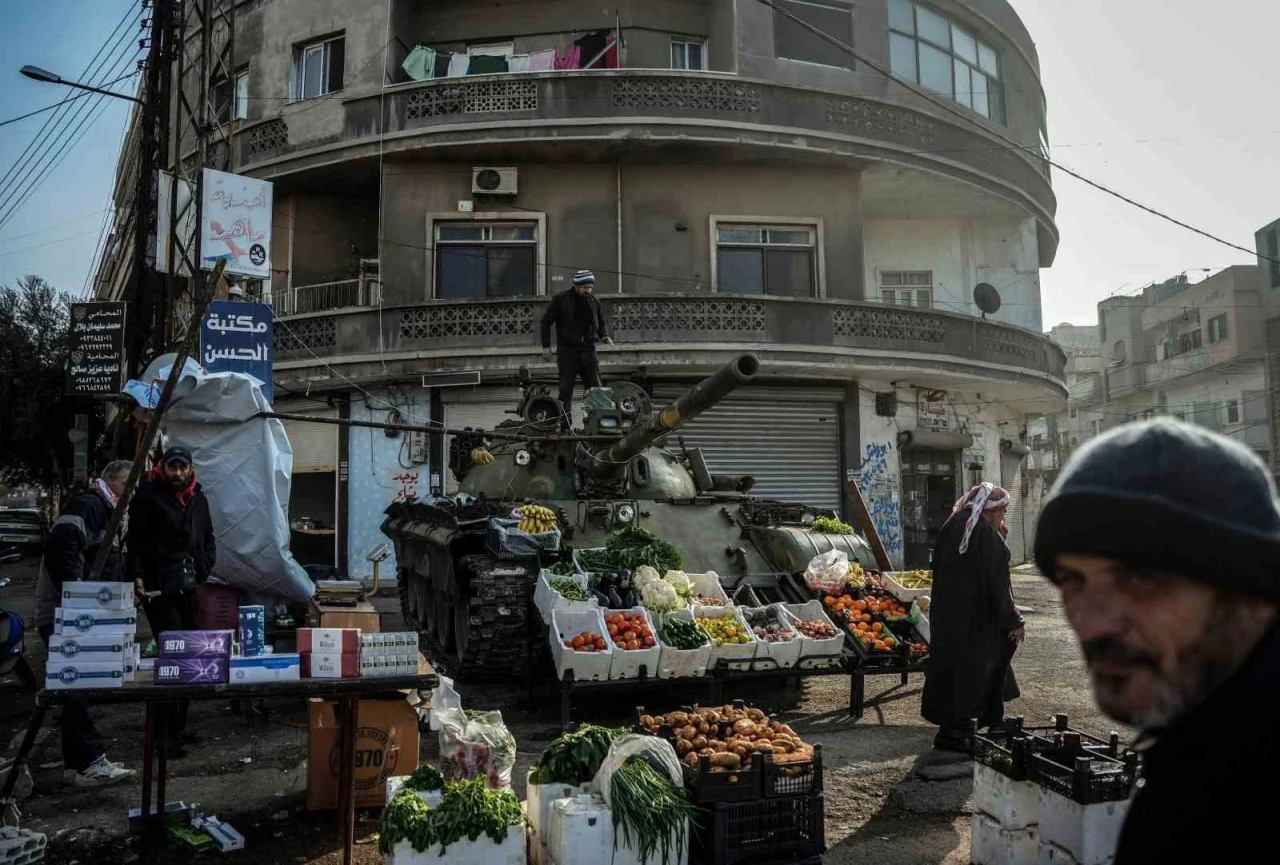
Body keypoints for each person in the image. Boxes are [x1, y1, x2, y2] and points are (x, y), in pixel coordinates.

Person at [1033, 419, 1278, 864]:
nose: (1090, 625)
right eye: (1074, 579)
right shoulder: (1201, 748)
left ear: (1253, 595)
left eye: (1141, 576)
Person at [34, 460, 136, 787]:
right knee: (77, 687)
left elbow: (109, 566)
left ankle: (76, 765)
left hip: (81, 614)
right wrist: (77, 600)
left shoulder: (114, 515)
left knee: (73, 687)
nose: (129, 494)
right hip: (68, 614)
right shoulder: (91, 505)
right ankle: (90, 761)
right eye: (125, 486)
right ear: (108, 482)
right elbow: (62, 547)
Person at [921, 482, 1025, 752]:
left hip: (949, 619)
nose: (1004, 516)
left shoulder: (952, 526)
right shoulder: (985, 535)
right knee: (976, 672)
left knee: (961, 671)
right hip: (979, 620)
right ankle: (957, 733)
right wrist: (1014, 620)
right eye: (1003, 511)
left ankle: (991, 719)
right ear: (993, 510)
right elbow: (998, 585)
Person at [128, 446, 217, 758]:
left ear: (190, 468)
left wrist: (205, 564)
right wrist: (137, 575)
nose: (178, 474)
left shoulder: (198, 497)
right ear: (163, 468)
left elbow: (208, 536)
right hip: (159, 589)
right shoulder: (148, 496)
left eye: (183, 468)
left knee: (191, 656)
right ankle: (162, 737)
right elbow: (135, 541)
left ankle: (179, 727)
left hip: (190, 586)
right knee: (172, 657)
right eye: (172, 468)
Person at [540, 269, 613, 425]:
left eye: (590, 288)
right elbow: (546, 322)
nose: (588, 291)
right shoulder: (561, 299)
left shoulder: (594, 301)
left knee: (595, 389)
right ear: (577, 286)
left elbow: (601, 321)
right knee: (565, 390)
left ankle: (597, 423)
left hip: (588, 350)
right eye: (585, 288)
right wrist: (546, 346)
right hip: (568, 351)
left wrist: (605, 335)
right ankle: (565, 424)